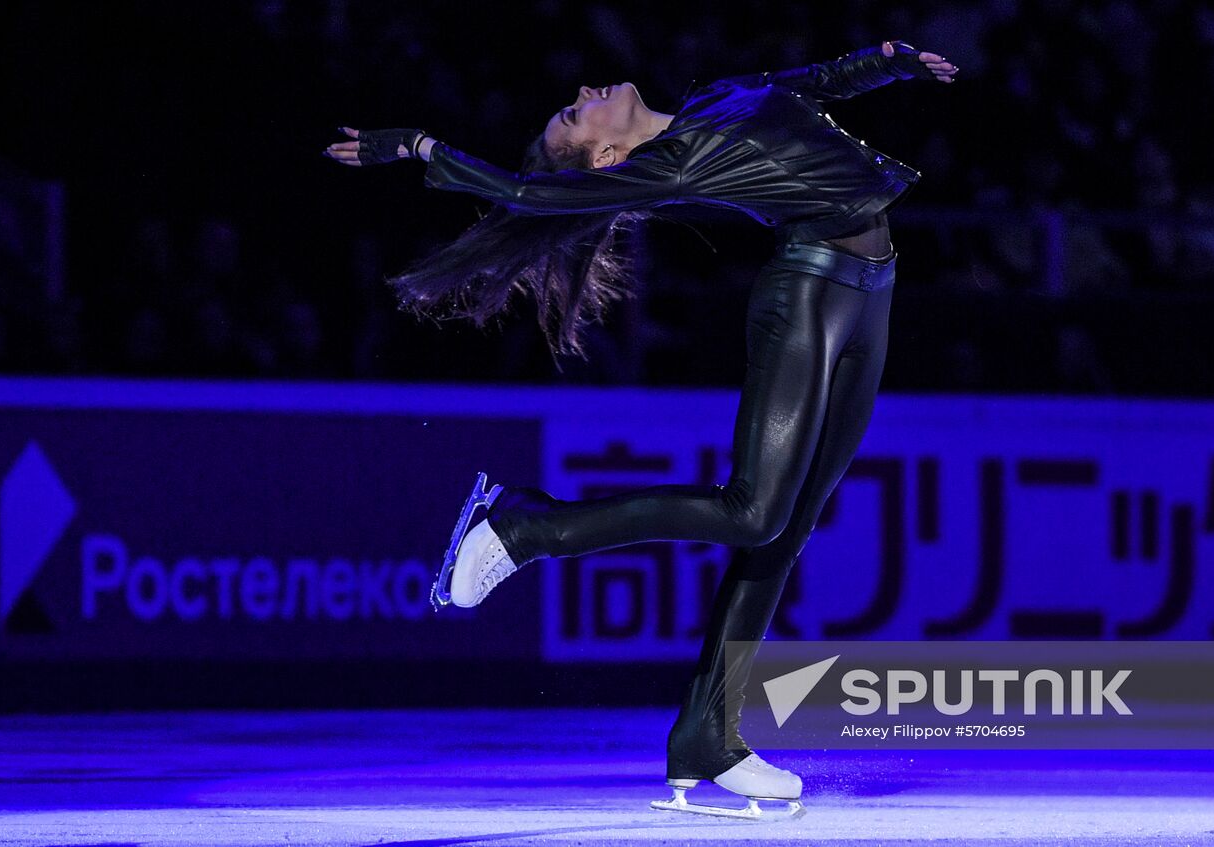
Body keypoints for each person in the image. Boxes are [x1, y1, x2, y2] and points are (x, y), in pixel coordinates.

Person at [325, 39, 957, 818]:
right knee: (754, 511)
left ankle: (707, 739)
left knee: (782, 532)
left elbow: (813, 85)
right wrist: (424, 147)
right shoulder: (676, 161)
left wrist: (888, 62)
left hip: (871, 291)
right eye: (573, 111)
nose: (585, 87)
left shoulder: (712, 98)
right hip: (808, 295)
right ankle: (529, 527)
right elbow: (531, 196)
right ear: (605, 156)